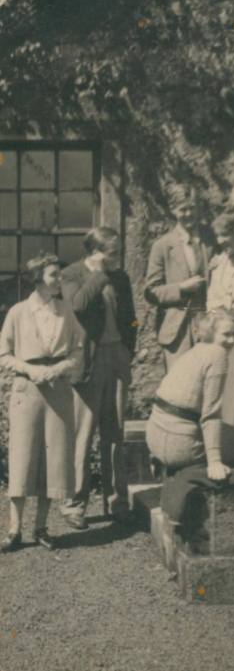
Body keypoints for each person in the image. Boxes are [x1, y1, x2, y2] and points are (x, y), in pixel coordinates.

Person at [0, 253, 83, 553]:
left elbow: (77, 350)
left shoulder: (67, 311)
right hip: (28, 390)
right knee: (23, 458)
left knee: (54, 459)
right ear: (38, 280)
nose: (59, 280)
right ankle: (14, 529)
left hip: (58, 390)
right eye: (53, 275)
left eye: (60, 275)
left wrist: (60, 368)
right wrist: (31, 369)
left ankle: (41, 527)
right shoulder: (18, 312)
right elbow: (3, 354)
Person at [60, 227, 137, 529]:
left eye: (118, 250)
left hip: (117, 355)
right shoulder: (72, 274)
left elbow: (131, 316)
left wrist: (129, 347)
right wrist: (98, 273)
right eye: (112, 251)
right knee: (84, 433)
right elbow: (77, 305)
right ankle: (74, 504)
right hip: (89, 361)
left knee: (115, 431)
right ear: (95, 252)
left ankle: (116, 502)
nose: (118, 257)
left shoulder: (121, 277)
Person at [146, 310, 234, 482]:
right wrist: (215, 461)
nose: (232, 341)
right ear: (210, 333)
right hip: (179, 444)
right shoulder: (218, 355)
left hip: (154, 438)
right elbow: (211, 415)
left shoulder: (196, 351)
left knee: (231, 434)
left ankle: (168, 466)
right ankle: (189, 471)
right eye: (226, 334)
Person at [144, 183, 216, 370]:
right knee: (180, 386)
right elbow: (151, 292)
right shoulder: (162, 246)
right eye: (182, 209)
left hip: (208, 325)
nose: (189, 214)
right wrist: (181, 289)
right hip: (177, 330)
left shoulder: (211, 239)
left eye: (192, 208)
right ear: (173, 211)